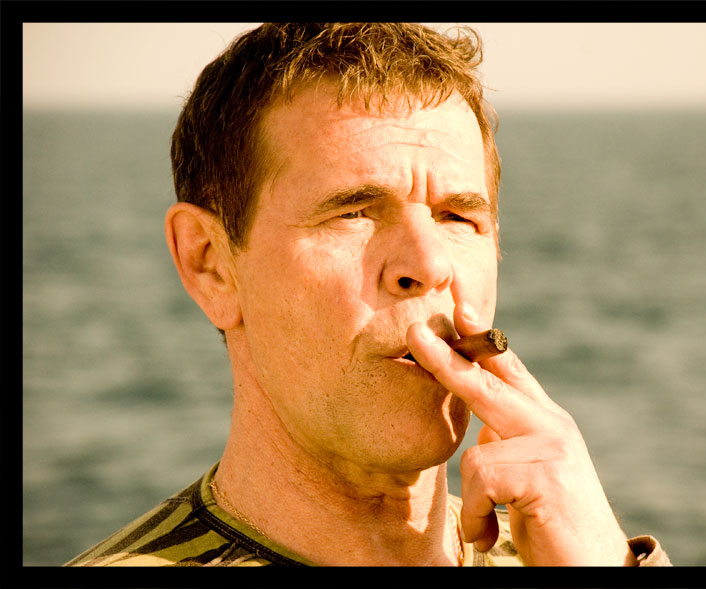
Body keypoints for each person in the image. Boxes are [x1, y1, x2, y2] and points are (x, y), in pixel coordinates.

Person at [66, 22, 670, 567]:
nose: (429, 266)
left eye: (459, 218)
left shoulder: (575, 555)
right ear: (210, 265)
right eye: (353, 212)